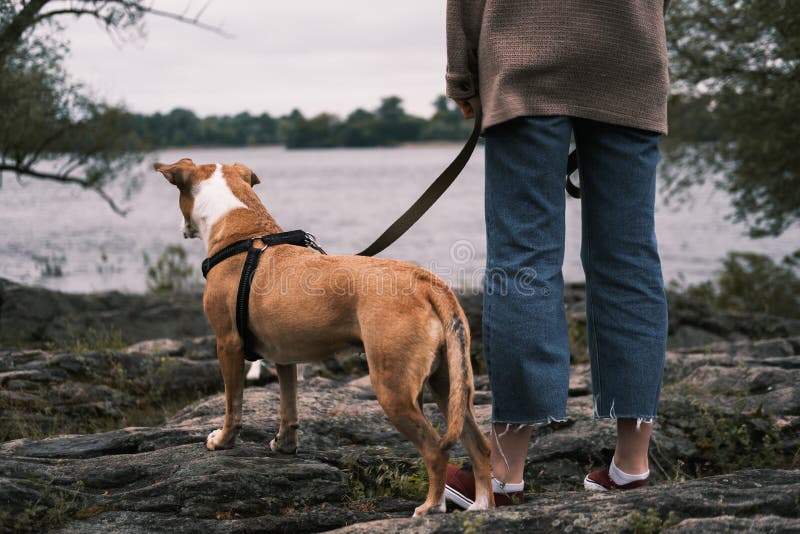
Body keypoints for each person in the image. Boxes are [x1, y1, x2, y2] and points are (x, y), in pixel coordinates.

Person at [443, 0, 672, 508]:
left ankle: (502, 471)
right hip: (630, 56)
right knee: (630, 259)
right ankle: (631, 466)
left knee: (523, 261)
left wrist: (463, 75)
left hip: (524, 54)